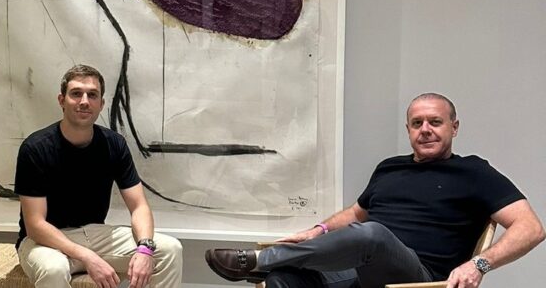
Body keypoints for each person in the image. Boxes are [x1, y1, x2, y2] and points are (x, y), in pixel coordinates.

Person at [206, 93, 544, 288]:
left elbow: (531, 228)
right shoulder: (389, 168)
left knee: (373, 235)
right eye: (417, 123)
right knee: (286, 278)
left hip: (418, 280)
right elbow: (356, 213)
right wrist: (318, 230)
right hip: (361, 272)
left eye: (435, 122)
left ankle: (259, 260)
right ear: (408, 129)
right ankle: (271, 265)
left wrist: (480, 264)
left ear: (454, 127)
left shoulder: (474, 171)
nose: (425, 130)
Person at [14, 64, 182, 288]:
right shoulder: (35, 148)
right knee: (54, 269)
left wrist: (144, 248)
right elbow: (35, 225)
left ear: (101, 104)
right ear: (61, 100)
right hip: (43, 242)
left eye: (92, 95)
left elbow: (139, 206)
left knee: (170, 250)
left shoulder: (114, 144)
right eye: (76, 93)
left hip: (95, 234)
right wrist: (88, 256)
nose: (84, 101)